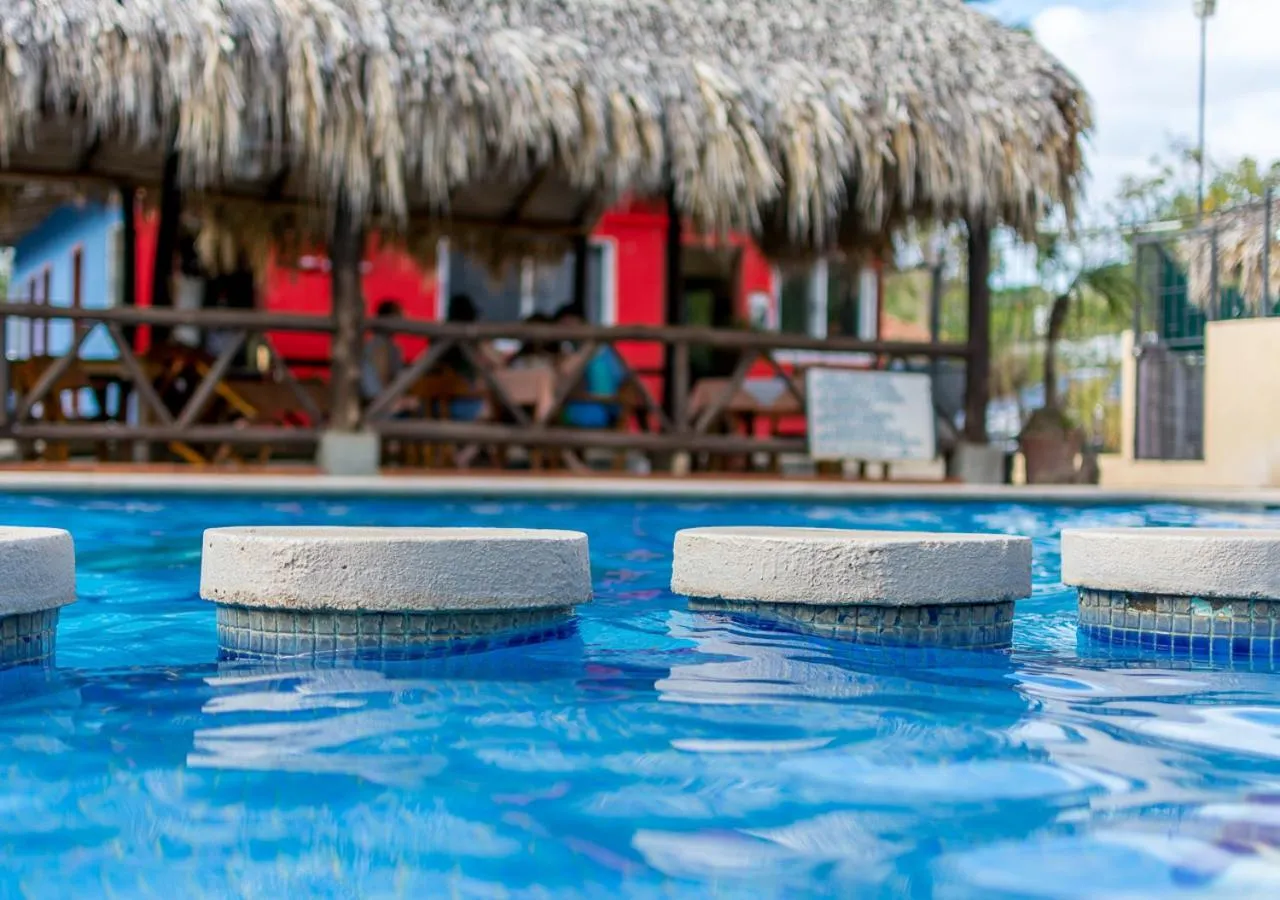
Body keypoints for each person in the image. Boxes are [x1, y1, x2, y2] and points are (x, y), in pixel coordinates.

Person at [360, 299, 408, 406]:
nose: (402, 321)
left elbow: (398, 380)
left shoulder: (394, 349)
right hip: (376, 406)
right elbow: (370, 388)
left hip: (388, 402)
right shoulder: (372, 347)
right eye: (398, 316)